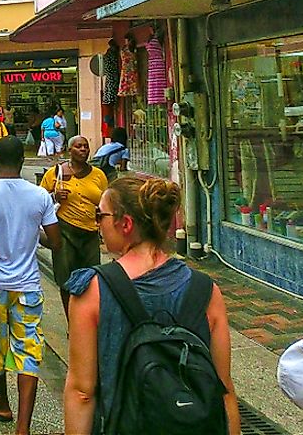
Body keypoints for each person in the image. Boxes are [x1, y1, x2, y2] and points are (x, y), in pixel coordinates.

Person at [62, 176, 240, 435]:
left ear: (125, 223)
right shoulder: (205, 290)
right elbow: (224, 389)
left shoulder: (93, 291)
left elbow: (82, 393)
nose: (97, 223)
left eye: (100, 215)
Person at [0, 135, 61, 435]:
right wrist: (33, 232)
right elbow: (55, 242)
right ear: (22, 161)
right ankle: (23, 428)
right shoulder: (40, 196)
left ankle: (2, 403)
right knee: (28, 351)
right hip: (29, 286)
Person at [39, 135, 108, 315]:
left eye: (86, 146)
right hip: (64, 232)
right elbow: (38, 201)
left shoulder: (98, 175)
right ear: (70, 150)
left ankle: (88, 318)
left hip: (90, 234)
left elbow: (106, 203)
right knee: (66, 279)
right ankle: (72, 320)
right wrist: (54, 196)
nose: (83, 149)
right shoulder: (55, 173)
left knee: (91, 278)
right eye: (78, 146)